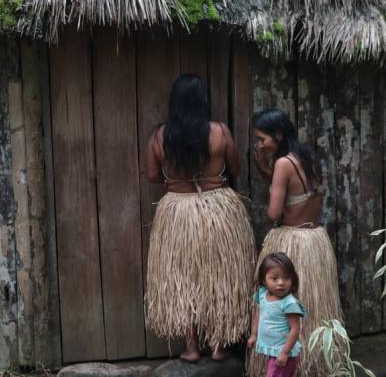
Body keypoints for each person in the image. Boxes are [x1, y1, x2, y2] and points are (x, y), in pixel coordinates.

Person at [145, 74, 255, 363]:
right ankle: (219, 346)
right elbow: (236, 168)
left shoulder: (159, 137)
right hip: (218, 209)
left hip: (177, 213)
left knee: (184, 278)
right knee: (219, 275)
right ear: (203, 101)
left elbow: (153, 175)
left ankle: (192, 347)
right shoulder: (219, 132)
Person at [247, 108, 343, 376]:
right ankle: (316, 364)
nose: (259, 144)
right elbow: (298, 192)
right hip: (314, 240)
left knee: (282, 311)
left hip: (292, 241)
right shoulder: (306, 156)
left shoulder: (283, 164)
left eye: (262, 139)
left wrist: (271, 174)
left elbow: (275, 213)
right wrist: (267, 171)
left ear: (278, 135)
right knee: (313, 308)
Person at [249, 253, 305, 377]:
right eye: (274, 279)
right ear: (264, 280)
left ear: (293, 279)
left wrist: (285, 353)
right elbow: (258, 313)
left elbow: (295, 329)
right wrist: (254, 335)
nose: (281, 283)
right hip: (274, 350)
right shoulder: (262, 294)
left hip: (284, 351)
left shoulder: (289, 303)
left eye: (286, 278)